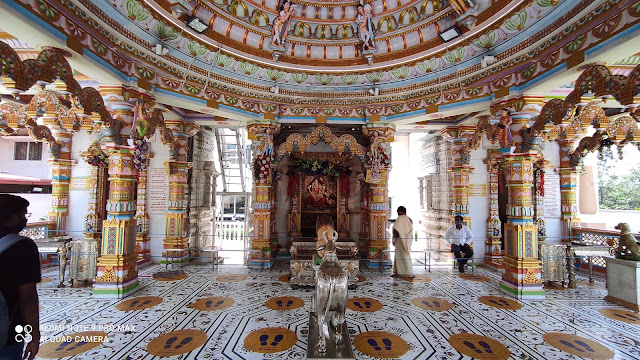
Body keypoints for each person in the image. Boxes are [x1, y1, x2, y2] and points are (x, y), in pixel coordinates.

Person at [0, 194, 41, 360]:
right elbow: (28, 297)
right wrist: (34, 333)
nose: (24, 220)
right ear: (9, 217)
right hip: (8, 332)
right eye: (22, 215)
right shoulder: (22, 247)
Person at [392, 206, 414, 279]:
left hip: (400, 241)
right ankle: (409, 272)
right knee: (406, 255)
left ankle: (400, 272)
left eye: (398, 212)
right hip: (407, 241)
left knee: (399, 256)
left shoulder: (400, 218)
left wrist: (394, 238)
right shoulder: (409, 219)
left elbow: (396, 229)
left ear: (400, 211)